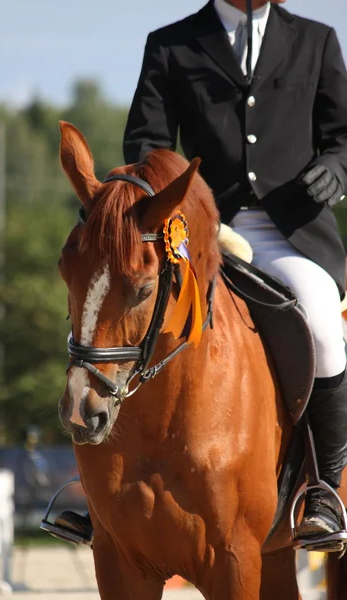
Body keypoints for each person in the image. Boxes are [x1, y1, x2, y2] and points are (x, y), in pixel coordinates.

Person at [121, 0, 347, 542]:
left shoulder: (315, 40)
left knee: (320, 322)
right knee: (123, 308)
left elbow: (342, 135)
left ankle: (326, 491)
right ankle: (105, 485)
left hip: (290, 233)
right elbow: (145, 145)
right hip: (204, 231)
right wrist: (171, 205)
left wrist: (335, 168)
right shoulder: (171, 43)